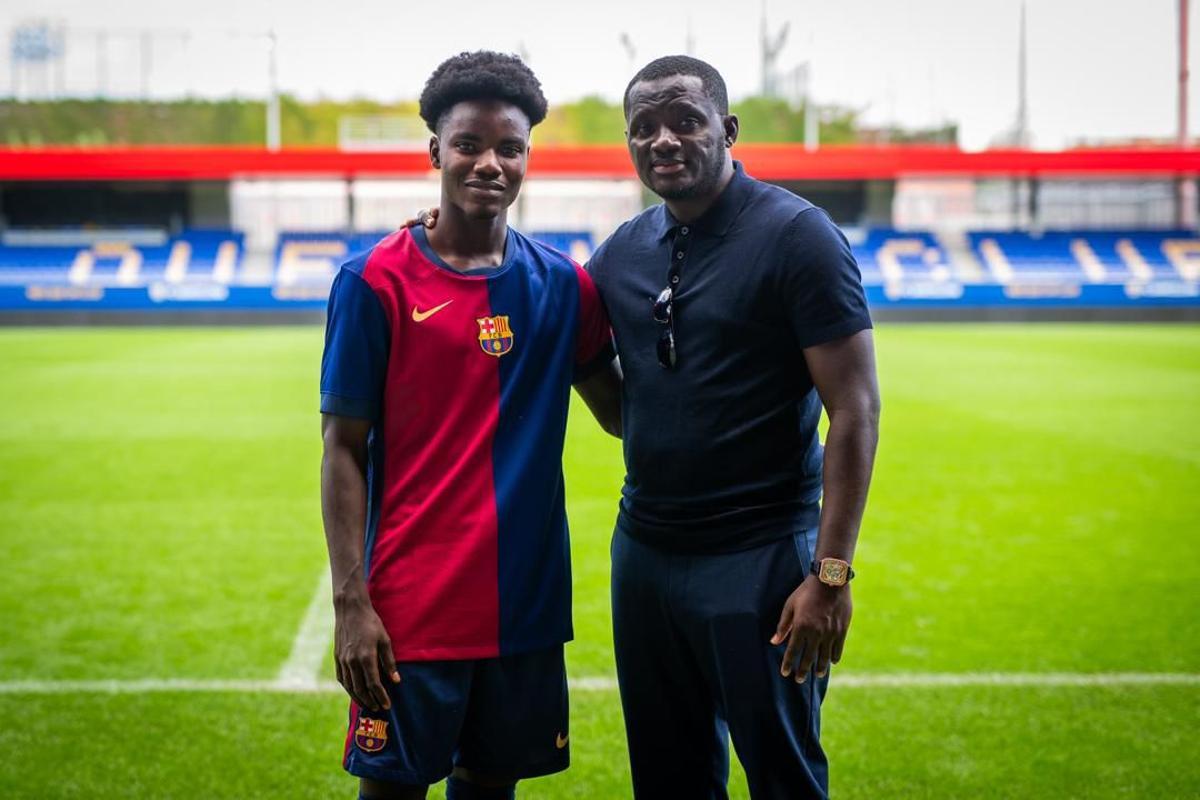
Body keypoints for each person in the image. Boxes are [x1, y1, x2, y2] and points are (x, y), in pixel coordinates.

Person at [319, 51, 620, 800]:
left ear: (527, 157)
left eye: (509, 147)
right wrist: (352, 604)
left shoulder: (562, 285)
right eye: (469, 144)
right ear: (435, 151)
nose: (490, 162)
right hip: (409, 612)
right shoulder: (374, 281)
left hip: (524, 607)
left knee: (491, 789)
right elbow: (342, 450)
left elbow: (623, 413)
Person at [585, 56, 881, 799]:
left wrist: (831, 573)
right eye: (643, 127)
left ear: (727, 127)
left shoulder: (797, 236)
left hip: (762, 559)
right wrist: (445, 232)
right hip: (645, 557)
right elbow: (581, 355)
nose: (664, 139)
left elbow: (856, 408)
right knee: (668, 779)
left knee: (782, 775)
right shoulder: (620, 253)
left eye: (685, 119)